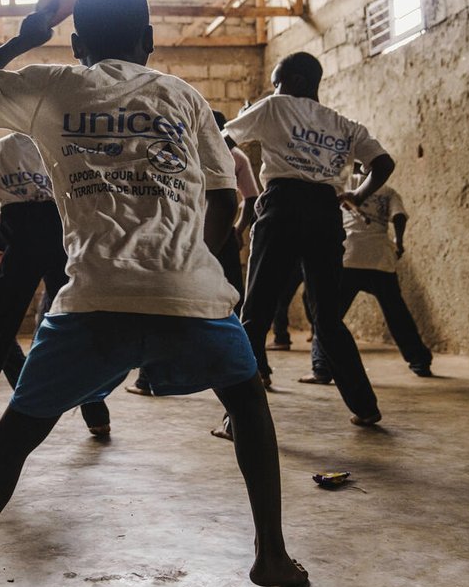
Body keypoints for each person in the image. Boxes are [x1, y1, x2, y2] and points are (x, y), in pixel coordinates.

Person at [0, 0, 307, 587]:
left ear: (78, 44)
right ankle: (271, 554)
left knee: (18, 432)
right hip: (191, 293)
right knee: (247, 402)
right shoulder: (183, 95)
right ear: (151, 42)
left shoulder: (55, 84)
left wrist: (31, 34)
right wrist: (186, 262)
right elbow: (226, 200)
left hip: (91, 299)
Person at [224, 52, 395, 425]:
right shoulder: (344, 124)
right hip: (325, 211)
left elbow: (225, 138)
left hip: (282, 205)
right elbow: (384, 164)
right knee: (328, 317)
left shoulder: (275, 106)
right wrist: (357, 195)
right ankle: (365, 407)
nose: (274, 88)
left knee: (255, 314)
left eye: (277, 80)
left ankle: (239, 419)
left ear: (297, 81)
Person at [0, 131, 110, 446]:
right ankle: (97, 417)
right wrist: (3, 223)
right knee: (69, 325)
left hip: (28, 234)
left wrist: (1, 222)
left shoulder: (2, 149)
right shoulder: (50, 145)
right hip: (49, 234)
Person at [126, 110, 257, 398]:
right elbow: (249, 199)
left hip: (189, 236)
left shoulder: (186, 150)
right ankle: (251, 371)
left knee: (167, 302)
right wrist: (237, 229)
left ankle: (148, 379)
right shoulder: (237, 158)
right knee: (230, 302)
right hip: (224, 235)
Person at [300, 164, 433, 383]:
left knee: (327, 315)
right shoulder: (389, 192)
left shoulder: (347, 183)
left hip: (349, 257)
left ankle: (322, 368)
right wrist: (399, 242)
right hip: (380, 259)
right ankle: (419, 361)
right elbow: (400, 217)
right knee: (397, 314)